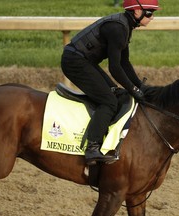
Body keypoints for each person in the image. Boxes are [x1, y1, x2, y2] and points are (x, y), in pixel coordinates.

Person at [61, 0, 160, 165]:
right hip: (75, 62)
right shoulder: (118, 28)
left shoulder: (125, 26)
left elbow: (124, 63)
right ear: (136, 11)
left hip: (85, 61)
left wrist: (141, 87)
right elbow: (114, 68)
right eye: (149, 13)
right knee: (109, 101)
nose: (152, 17)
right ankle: (92, 148)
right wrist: (134, 89)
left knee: (118, 94)